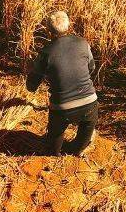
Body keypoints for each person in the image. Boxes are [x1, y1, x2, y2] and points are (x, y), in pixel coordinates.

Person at [26, 11, 98, 156]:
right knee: (85, 133)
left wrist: (32, 81)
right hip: (89, 102)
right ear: (68, 26)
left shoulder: (45, 53)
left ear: (48, 30)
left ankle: (56, 152)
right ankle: (78, 149)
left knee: (52, 147)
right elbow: (91, 67)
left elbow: (32, 85)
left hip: (62, 108)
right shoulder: (83, 43)